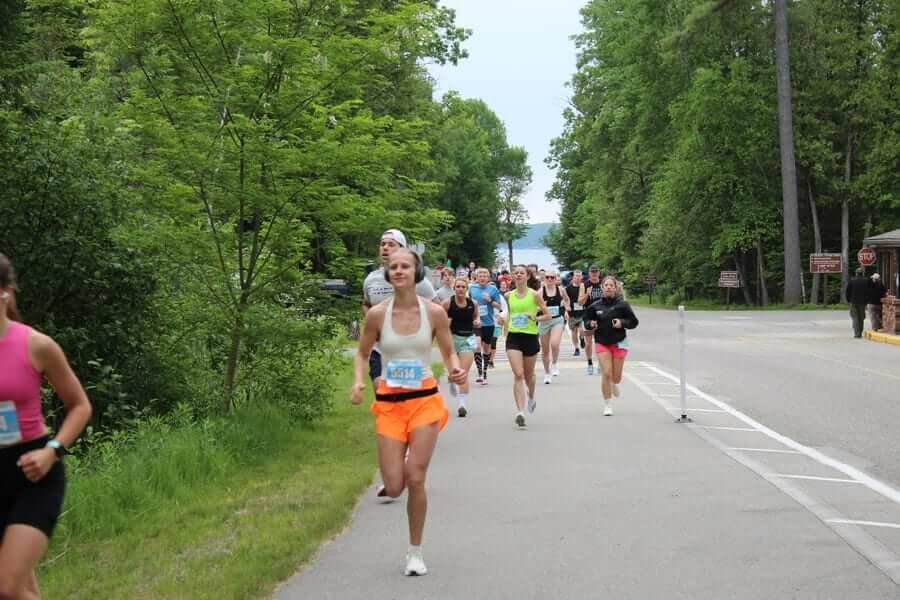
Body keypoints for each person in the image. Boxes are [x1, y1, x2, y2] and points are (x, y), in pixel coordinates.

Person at [351, 249, 466, 576]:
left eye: (406, 266)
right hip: (390, 405)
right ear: (388, 273)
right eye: (394, 266)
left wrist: (456, 370)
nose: (399, 270)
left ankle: (415, 552)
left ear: (417, 273)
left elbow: (449, 352)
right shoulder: (376, 314)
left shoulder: (434, 313)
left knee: (416, 478)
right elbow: (361, 355)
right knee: (396, 485)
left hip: (425, 401)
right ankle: (394, 474)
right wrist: (359, 382)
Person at [0, 254, 92, 599]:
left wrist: (51, 451)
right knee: (22, 589)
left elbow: (80, 406)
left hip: (33, 471)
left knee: (7, 588)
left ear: (6, 292)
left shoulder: (35, 345)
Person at [363, 229, 436, 383]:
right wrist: (372, 325)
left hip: (408, 351)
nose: (385, 247)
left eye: (391, 244)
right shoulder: (371, 279)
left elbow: (437, 307)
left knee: (404, 395)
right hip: (379, 349)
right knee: (380, 389)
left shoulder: (416, 279)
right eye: (382, 244)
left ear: (402, 249)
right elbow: (366, 304)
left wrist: (425, 334)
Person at [582, 275, 639, 416]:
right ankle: (607, 404)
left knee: (616, 377)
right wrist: (590, 324)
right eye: (606, 285)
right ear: (602, 288)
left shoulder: (622, 305)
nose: (608, 287)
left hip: (619, 342)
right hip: (602, 342)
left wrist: (622, 323)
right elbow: (586, 320)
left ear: (615, 288)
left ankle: (614, 383)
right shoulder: (595, 306)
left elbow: (634, 322)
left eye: (611, 285)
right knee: (606, 373)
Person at [505, 265, 552, 428]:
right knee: (518, 374)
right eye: (516, 273)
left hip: (530, 337)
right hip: (513, 337)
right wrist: (504, 325)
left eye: (521, 273)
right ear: (513, 276)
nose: (518, 275)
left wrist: (535, 317)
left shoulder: (534, 295)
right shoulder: (508, 295)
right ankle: (520, 411)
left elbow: (548, 315)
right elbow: (509, 314)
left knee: (528, 375)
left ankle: (531, 396)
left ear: (527, 276)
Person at [442, 277, 480, 417]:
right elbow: (438, 320)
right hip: (451, 340)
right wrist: (445, 323)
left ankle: (462, 404)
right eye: (458, 286)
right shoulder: (447, 303)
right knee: (454, 373)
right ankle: (452, 380)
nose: (460, 289)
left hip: (467, 339)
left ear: (466, 289)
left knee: (463, 373)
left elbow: (476, 317)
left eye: (463, 287)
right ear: (454, 288)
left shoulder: (473, 303)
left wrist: (476, 321)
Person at [468, 268, 502, 385]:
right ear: (476, 277)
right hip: (476, 323)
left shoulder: (493, 289)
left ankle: (485, 371)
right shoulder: (471, 288)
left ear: (488, 278)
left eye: (484, 276)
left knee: (486, 348)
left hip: (489, 323)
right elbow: (467, 303)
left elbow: (499, 307)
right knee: (477, 346)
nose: (482, 278)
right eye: (480, 276)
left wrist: (490, 300)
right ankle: (479, 373)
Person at [539, 270, 570, 384]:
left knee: (555, 343)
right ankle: (547, 373)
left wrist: (566, 309)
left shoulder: (561, 290)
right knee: (545, 350)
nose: (550, 279)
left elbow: (567, 300)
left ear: (556, 279)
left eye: (552, 277)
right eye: (548, 277)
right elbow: (534, 307)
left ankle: (555, 363)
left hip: (557, 319)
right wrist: (542, 308)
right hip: (544, 321)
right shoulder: (540, 292)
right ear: (544, 279)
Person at [578, 265, 605, 374]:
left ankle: (600, 363)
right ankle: (589, 363)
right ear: (589, 273)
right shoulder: (584, 285)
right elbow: (580, 302)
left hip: (602, 315)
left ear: (599, 273)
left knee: (601, 341)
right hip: (588, 315)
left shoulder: (603, 284)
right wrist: (587, 294)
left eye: (596, 272)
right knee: (588, 342)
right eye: (592, 272)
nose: (594, 274)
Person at [565, 270, 586, 357]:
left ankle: (582, 338)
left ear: (581, 277)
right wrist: (566, 310)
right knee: (574, 331)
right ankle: (576, 348)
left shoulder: (584, 286)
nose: (577, 278)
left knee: (581, 329)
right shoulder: (568, 288)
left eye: (579, 276)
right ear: (573, 277)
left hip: (582, 312)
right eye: (576, 276)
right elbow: (566, 300)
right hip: (572, 313)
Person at [846, 268, 870, 338]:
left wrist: (848, 300)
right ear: (862, 273)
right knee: (861, 317)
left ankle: (857, 333)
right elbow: (869, 292)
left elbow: (847, 292)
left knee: (855, 317)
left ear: (856, 273)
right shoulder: (866, 281)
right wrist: (867, 301)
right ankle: (860, 332)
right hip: (862, 302)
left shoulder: (852, 281)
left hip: (853, 302)